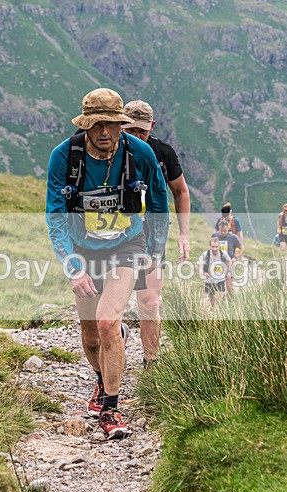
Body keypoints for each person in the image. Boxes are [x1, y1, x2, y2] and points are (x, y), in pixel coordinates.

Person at [46, 88, 169, 439]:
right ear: (85, 125)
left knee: (105, 321)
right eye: (96, 124)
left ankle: (111, 411)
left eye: (112, 124)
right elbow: (55, 217)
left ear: (121, 125)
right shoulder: (63, 157)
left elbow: (159, 204)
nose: (104, 132)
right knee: (89, 334)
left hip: (127, 245)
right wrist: (73, 267)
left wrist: (155, 256)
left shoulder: (140, 153)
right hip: (83, 250)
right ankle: (101, 381)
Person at [121, 99, 190, 367]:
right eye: (131, 130)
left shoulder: (163, 153)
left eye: (142, 131)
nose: (137, 136)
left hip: (152, 235)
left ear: (152, 126)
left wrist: (184, 233)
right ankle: (118, 337)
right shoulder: (111, 150)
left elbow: (181, 191)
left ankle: (151, 361)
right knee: (110, 298)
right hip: (117, 234)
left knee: (149, 300)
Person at [198, 237, 231, 308]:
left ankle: (218, 309)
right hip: (209, 280)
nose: (214, 249)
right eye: (213, 247)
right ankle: (214, 310)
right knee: (211, 298)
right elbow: (198, 265)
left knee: (220, 297)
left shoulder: (223, 254)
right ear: (210, 246)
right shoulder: (205, 254)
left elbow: (229, 261)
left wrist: (228, 271)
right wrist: (203, 272)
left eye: (216, 247)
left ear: (219, 246)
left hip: (220, 279)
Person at [211, 219, 242, 293]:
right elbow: (211, 247)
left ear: (228, 228)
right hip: (217, 262)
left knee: (228, 282)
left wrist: (235, 257)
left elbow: (242, 248)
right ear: (219, 228)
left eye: (225, 230)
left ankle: (231, 300)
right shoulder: (214, 235)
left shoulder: (233, 237)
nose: (223, 232)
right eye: (221, 231)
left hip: (229, 262)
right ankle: (218, 300)